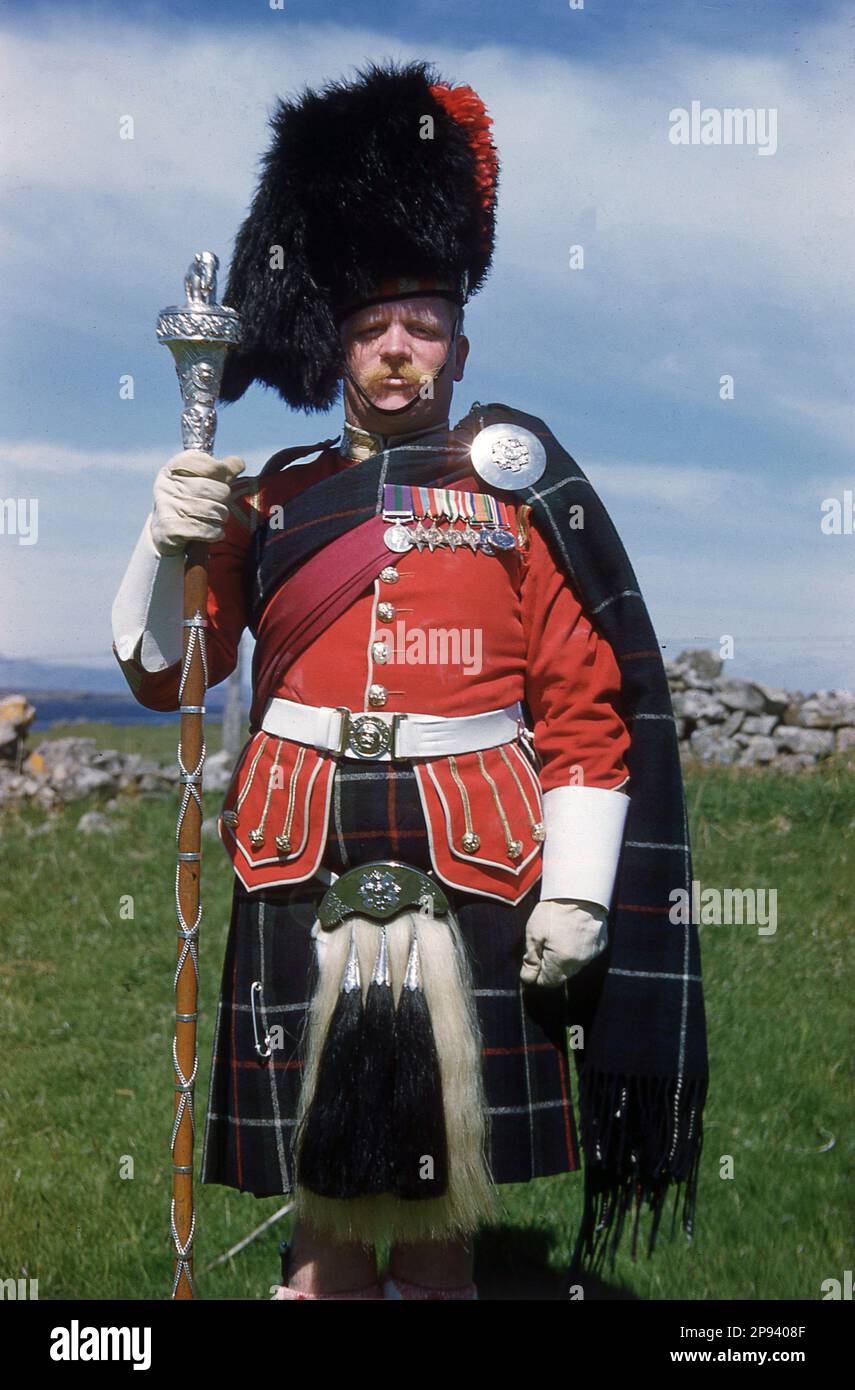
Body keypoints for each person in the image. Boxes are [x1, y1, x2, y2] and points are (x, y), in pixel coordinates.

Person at [111, 61, 708, 1300]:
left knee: (443, 1218)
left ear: (458, 338)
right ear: (337, 342)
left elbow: (582, 706)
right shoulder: (270, 495)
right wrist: (160, 538)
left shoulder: (515, 488)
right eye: (372, 328)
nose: (397, 350)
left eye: (421, 325)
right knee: (324, 1227)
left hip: (476, 856)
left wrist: (581, 897)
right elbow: (172, 672)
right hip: (299, 847)